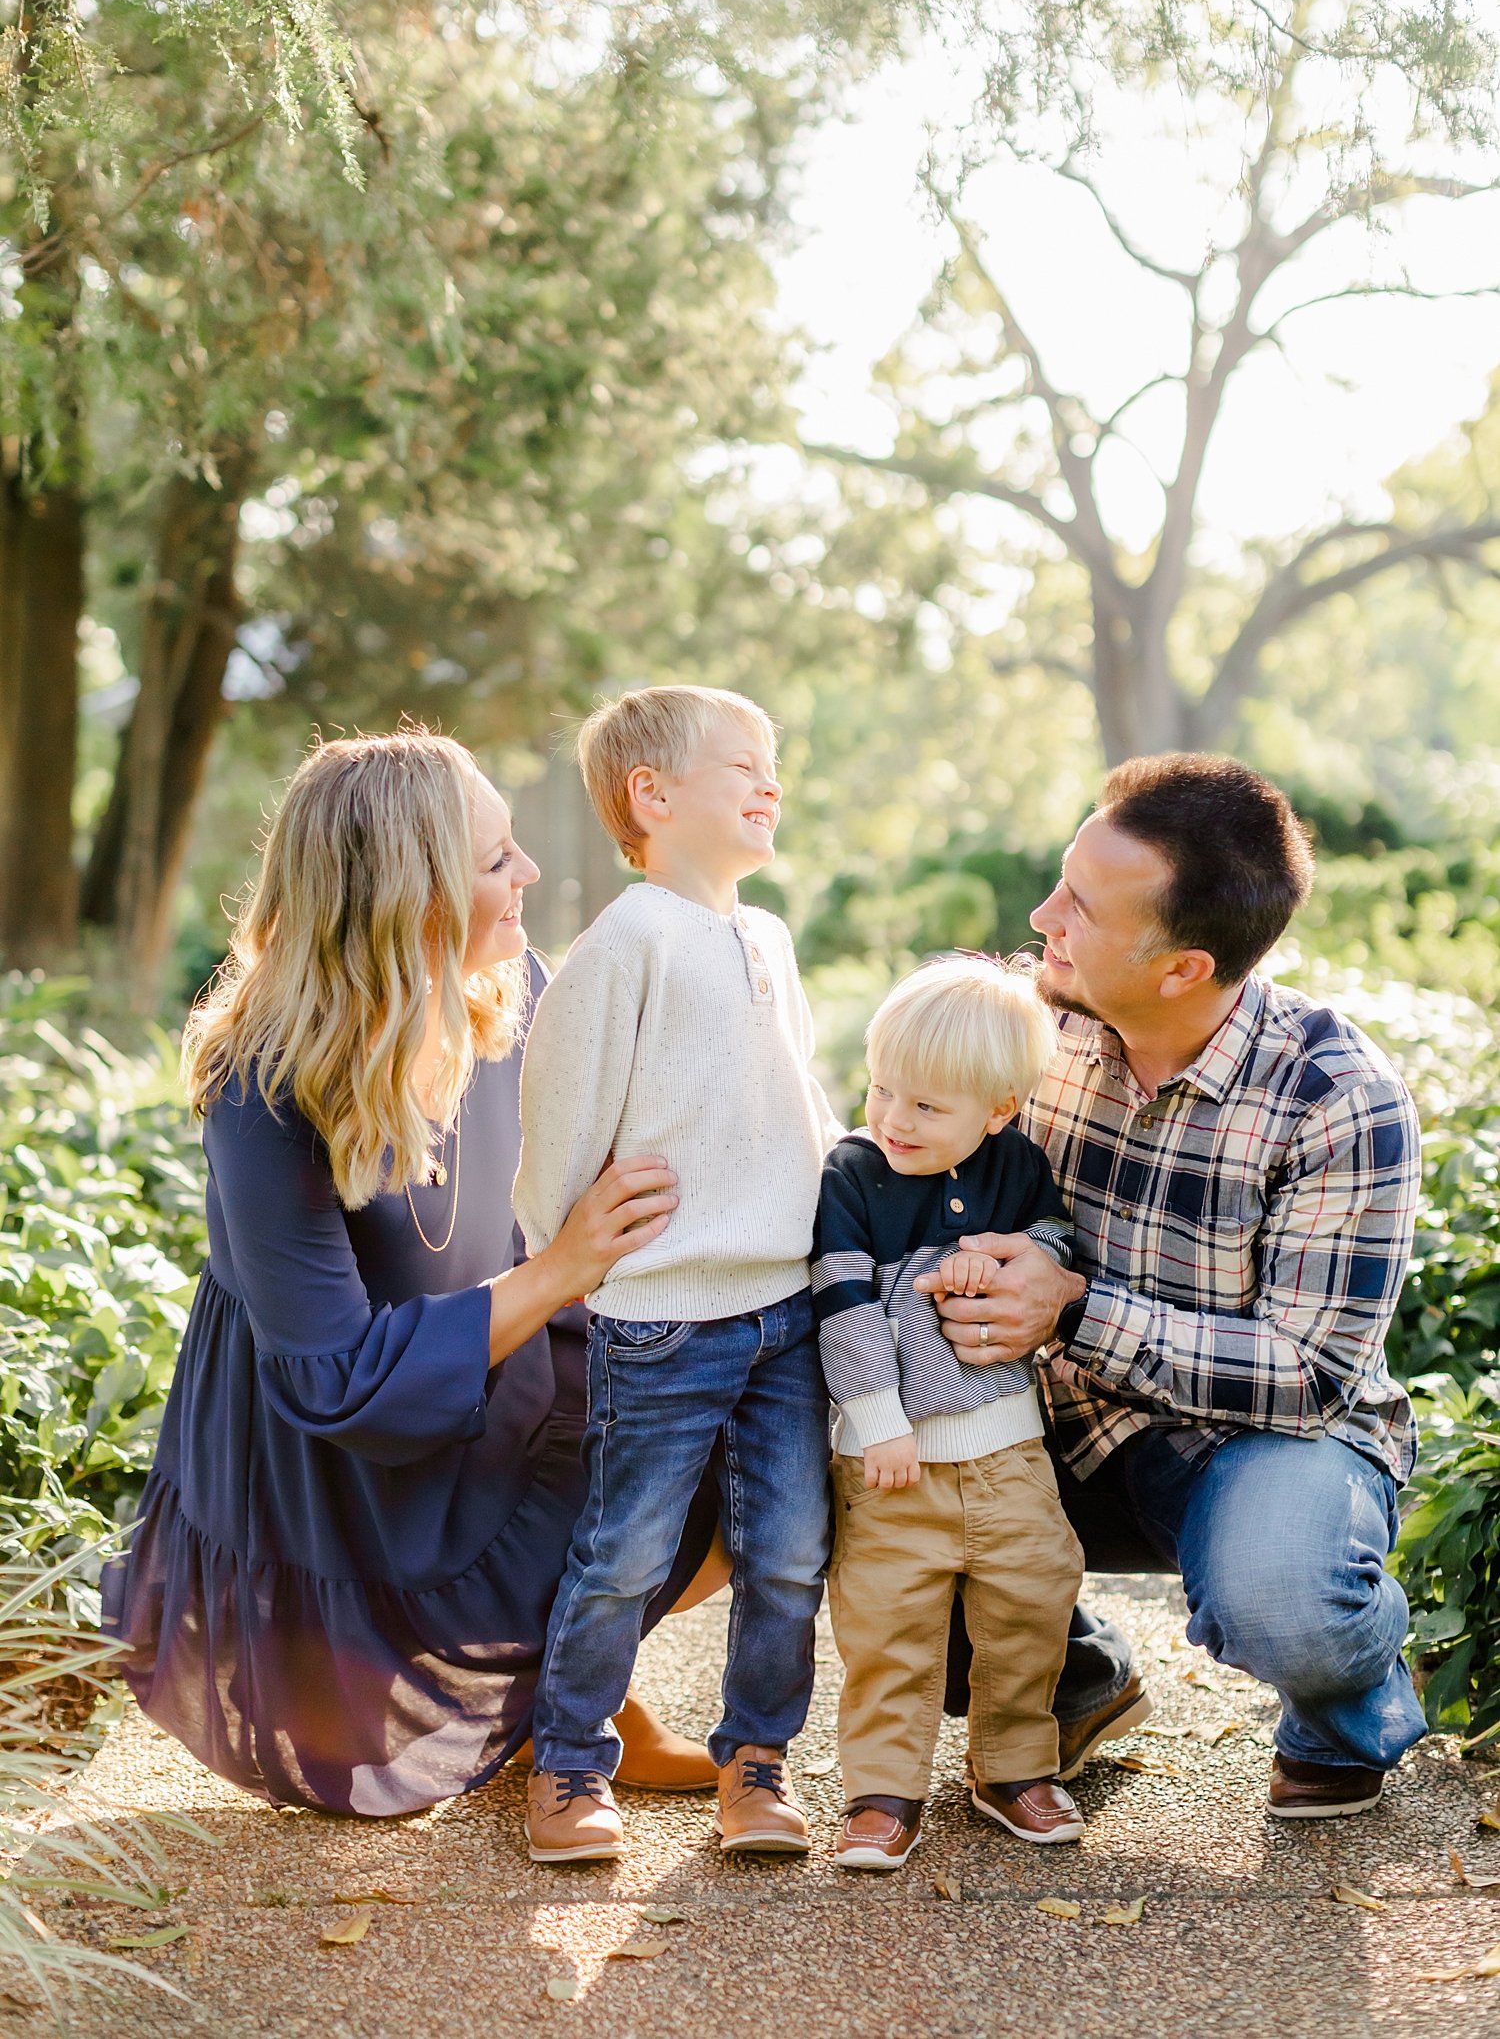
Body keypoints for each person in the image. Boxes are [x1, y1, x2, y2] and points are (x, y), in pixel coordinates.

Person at [101, 729, 719, 1816]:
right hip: (340, 1468)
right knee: (351, 1750)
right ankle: (539, 1691)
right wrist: (569, 1267)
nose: (528, 875)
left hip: (496, 1361)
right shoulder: (265, 1087)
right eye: (494, 861)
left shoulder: (507, 985)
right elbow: (332, 1378)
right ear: (408, 895)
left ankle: (574, 1688)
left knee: (726, 1422)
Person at [925, 755, 1427, 1820]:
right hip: (1050, 1423)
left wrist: (1073, 1304)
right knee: (880, 1514)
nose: (1041, 914)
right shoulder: (1029, 1027)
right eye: (1065, 879)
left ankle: (1349, 1701)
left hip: (1259, 1439)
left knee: (1288, 1603)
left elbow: (1311, 1375)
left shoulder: (1342, 1099)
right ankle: (1073, 1674)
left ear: (1180, 968)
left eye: (1082, 908)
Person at [513, 684, 842, 1864]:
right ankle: (565, 1766)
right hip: (662, 1313)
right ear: (652, 796)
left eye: (776, 765)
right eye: (743, 765)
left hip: (789, 1309)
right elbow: (557, 1118)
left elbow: (799, 1102)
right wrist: (576, 1246)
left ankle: (756, 1765)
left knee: (790, 1552)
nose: (771, 785)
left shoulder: (769, 938)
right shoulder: (629, 941)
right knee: (625, 1552)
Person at [814, 957, 1087, 1873]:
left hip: (1008, 1451)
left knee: (1030, 1606)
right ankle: (881, 1792)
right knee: (887, 1623)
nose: (894, 1118)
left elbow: (1051, 1240)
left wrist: (1007, 1256)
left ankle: (1014, 1769)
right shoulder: (853, 1171)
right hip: (894, 1457)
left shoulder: (1019, 1166)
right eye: (882, 1088)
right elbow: (844, 1305)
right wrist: (876, 1417)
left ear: (998, 1110)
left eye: (926, 1107)